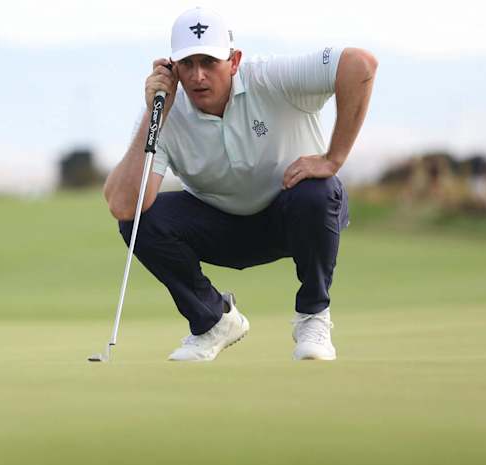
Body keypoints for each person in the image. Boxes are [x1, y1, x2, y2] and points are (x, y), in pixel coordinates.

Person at [102, 7, 377, 361]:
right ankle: (214, 321)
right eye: (187, 64)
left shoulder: (271, 77)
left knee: (319, 191)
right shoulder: (168, 111)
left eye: (209, 62)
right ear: (171, 68)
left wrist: (333, 158)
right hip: (222, 229)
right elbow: (124, 205)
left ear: (234, 61)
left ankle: (313, 316)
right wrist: (154, 113)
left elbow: (360, 64)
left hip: (293, 217)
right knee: (139, 220)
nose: (198, 76)